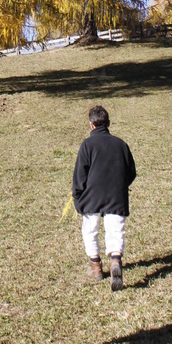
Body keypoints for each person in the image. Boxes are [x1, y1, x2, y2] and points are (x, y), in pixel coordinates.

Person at [72, 104, 136, 291]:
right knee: (115, 230)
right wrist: (120, 185)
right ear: (108, 123)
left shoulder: (87, 145)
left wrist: (77, 196)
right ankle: (115, 260)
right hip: (116, 195)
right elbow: (131, 172)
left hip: (91, 196)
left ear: (91, 125)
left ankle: (96, 266)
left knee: (90, 230)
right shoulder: (121, 144)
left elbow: (79, 175)